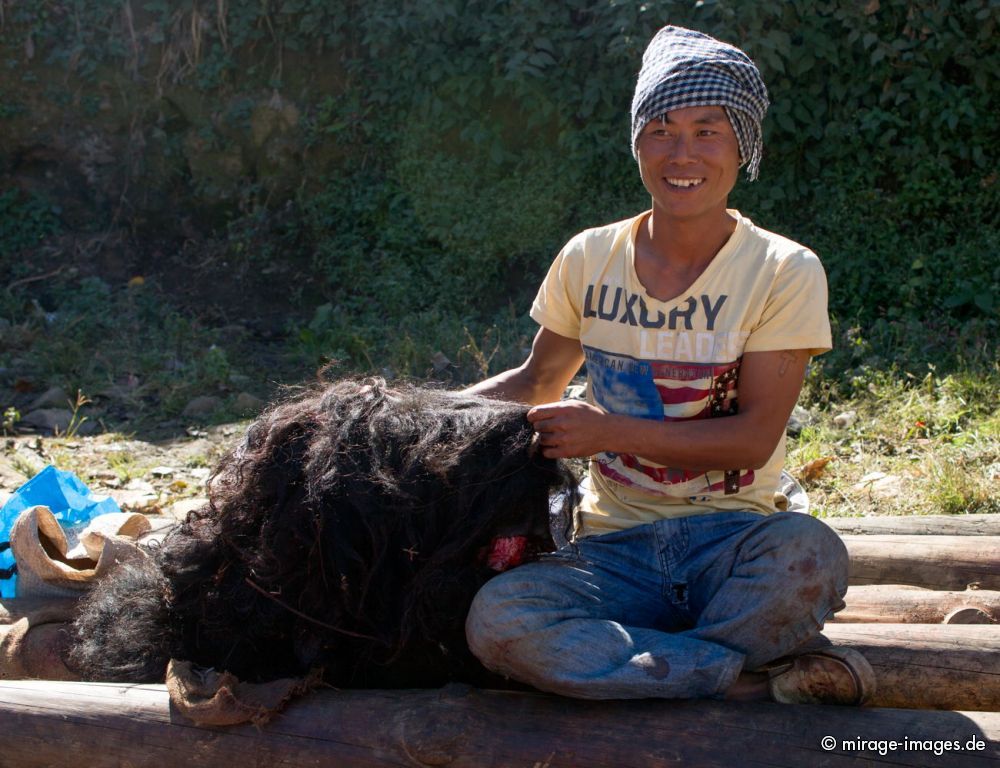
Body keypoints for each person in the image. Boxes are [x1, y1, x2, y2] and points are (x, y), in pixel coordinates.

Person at [463, 25, 873, 704]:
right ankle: (719, 668)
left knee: (810, 559)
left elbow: (751, 438)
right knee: (498, 619)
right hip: (610, 550)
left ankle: (633, 661)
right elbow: (535, 382)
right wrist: (410, 414)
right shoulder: (590, 257)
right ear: (637, 144)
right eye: (661, 129)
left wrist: (608, 432)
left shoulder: (783, 270)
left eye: (707, 131)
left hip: (735, 541)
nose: (682, 153)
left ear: (742, 146)